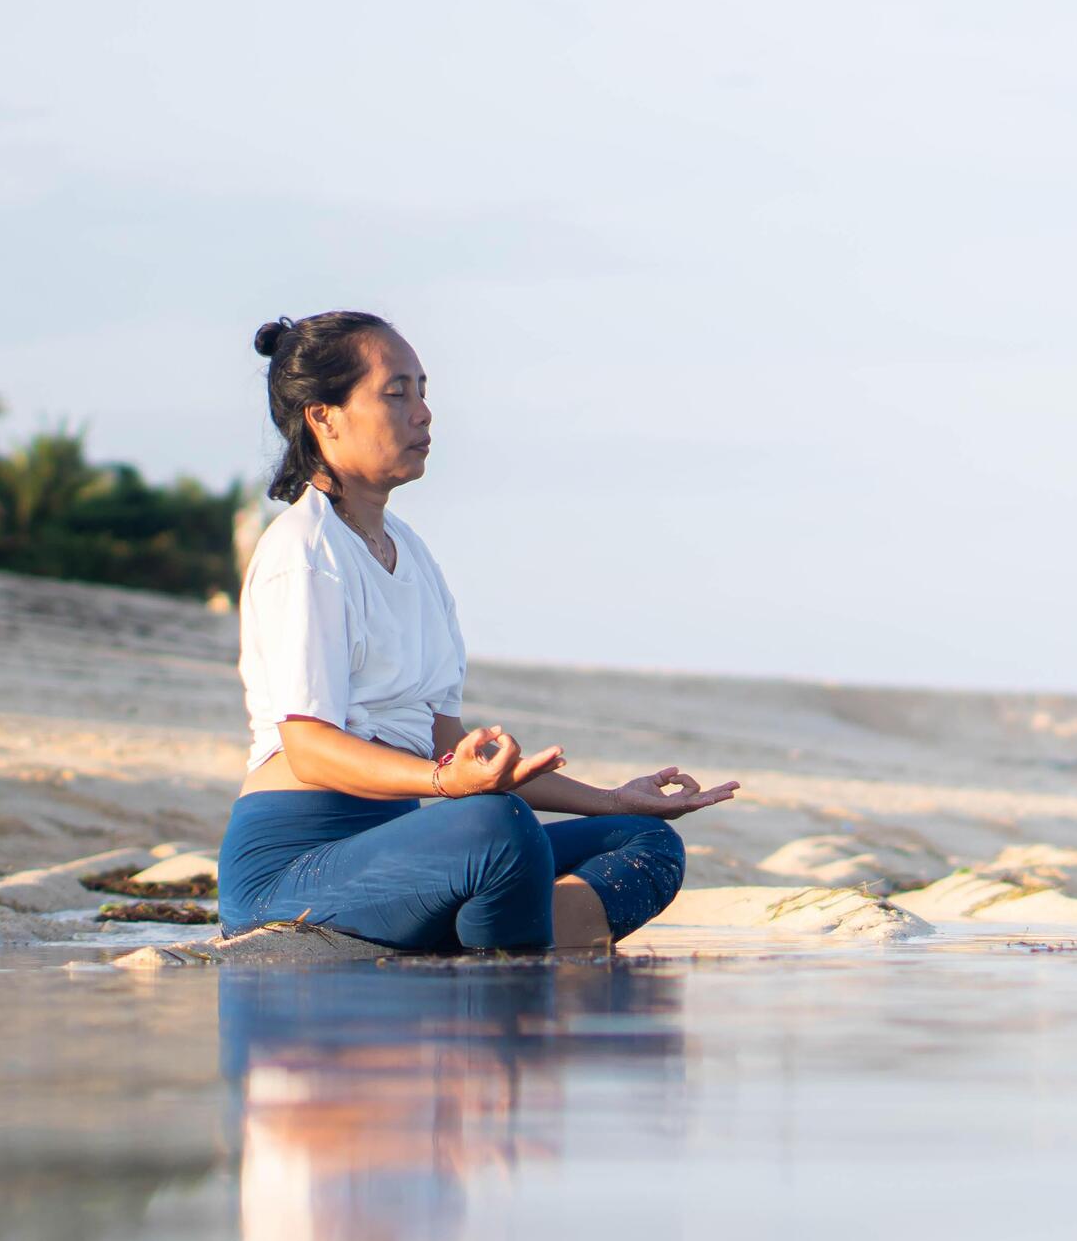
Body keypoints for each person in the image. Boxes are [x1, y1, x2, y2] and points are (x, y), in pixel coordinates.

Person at [218, 311, 736, 954]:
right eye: (396, 392)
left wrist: (609, 798)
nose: (425, 412)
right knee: (496, 828)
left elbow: (448, 746)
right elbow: (309, 748)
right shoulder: (304, 551)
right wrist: (445, 785)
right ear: (324, 417)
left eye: (424, 389)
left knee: (643, 841)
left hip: (403, 855)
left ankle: (482, 962)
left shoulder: (412, 555)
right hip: (291, 873)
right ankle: (502, 990)